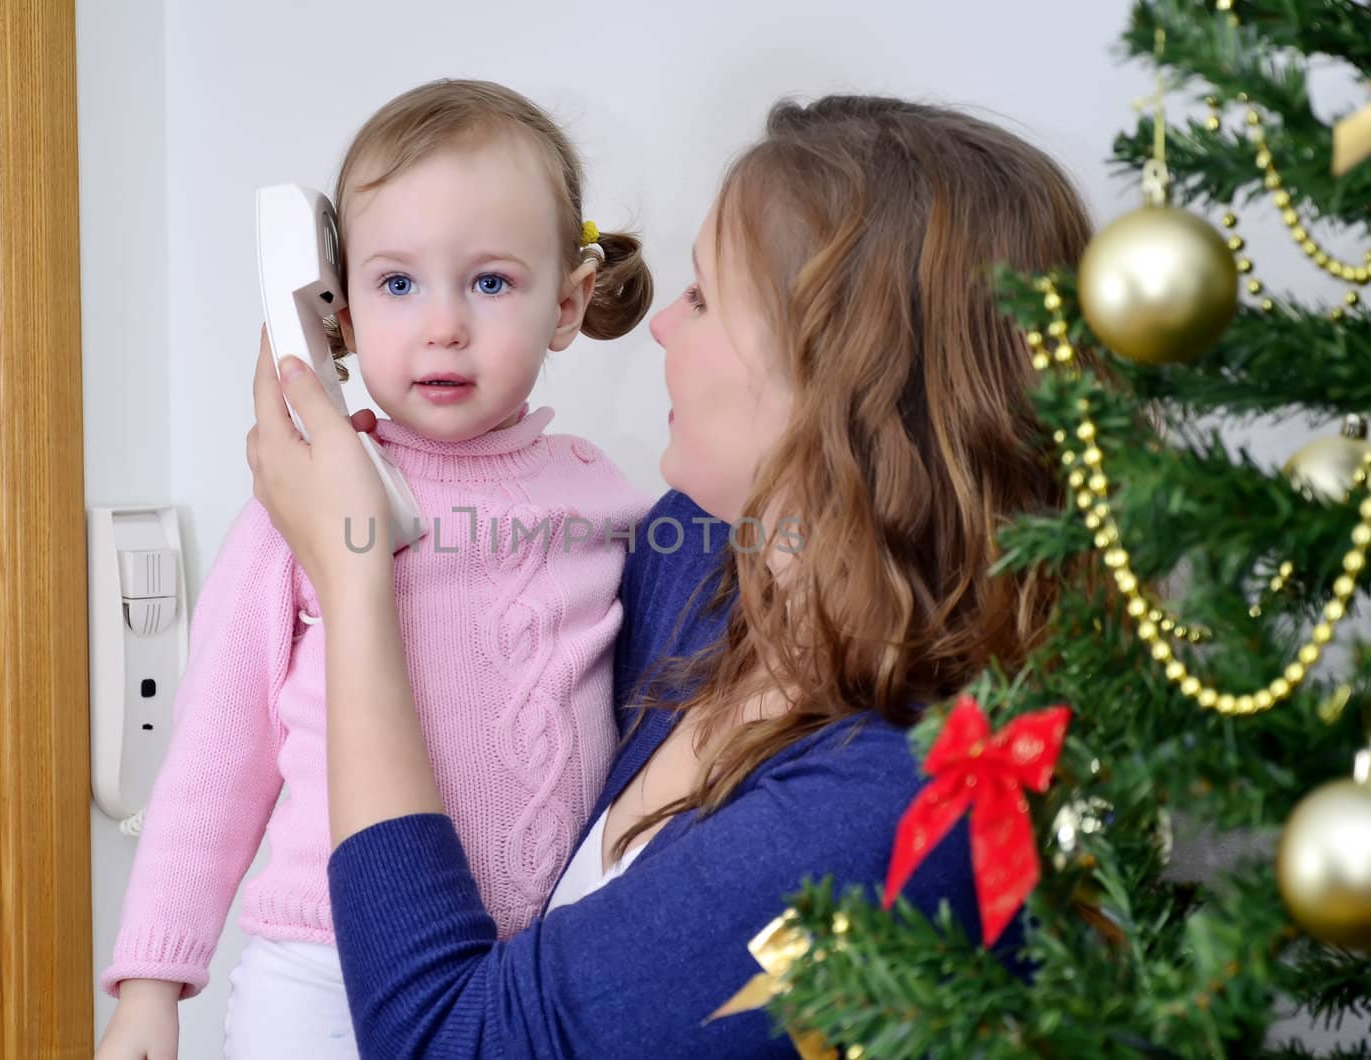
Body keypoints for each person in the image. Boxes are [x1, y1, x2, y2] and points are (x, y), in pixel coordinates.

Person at [246, 94, 1095, 1057]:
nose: (658, 327)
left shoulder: (888, 811)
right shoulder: (701, 556)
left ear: (836, 382)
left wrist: (352, 578)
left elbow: (452, 1041)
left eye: (702, 298)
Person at [96, 79, 657, 1060]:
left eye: (489, 282)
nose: (442, 325)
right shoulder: (308, 499)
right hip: (319, 973)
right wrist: (151, 984)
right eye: (397, 284)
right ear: (336, 311)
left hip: (520, 977)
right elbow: (213, 758)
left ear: (566, 302)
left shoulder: (601, 496)